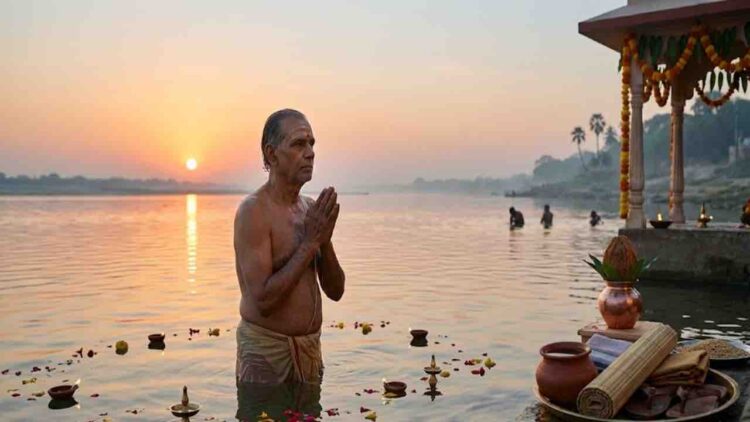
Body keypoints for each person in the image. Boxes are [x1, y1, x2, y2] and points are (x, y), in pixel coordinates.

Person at [234, 109, 345, 387]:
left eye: (312, 143)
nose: (310, 153)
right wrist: (310, 242)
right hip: (267, 356)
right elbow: (263, 300)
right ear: (271, 155)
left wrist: (324, 239)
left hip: (309, 353)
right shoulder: (254, 212)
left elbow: (336, 291)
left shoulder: (310, 210)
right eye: (298, 144)